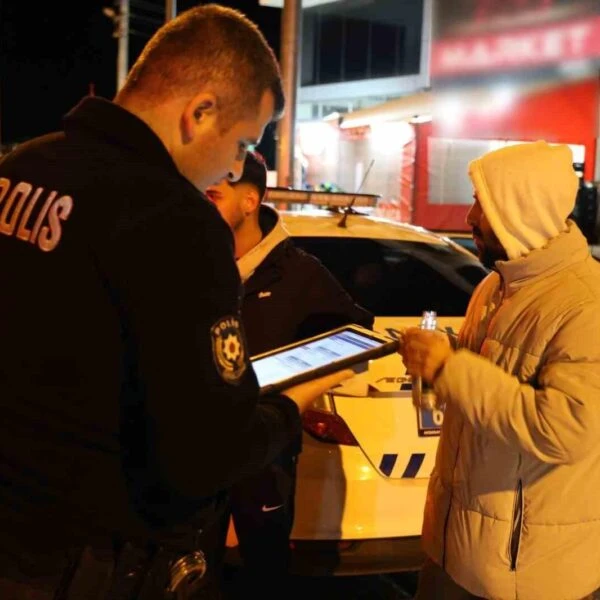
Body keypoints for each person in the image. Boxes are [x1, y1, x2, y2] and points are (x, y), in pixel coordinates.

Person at [0, 5, 353, 599]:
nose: (236, 166)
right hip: (93, 562)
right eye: (242, 143)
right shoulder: (174, 220)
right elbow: (204, 454)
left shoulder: (24, 167)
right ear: (200, 113)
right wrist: (289, 409)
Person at [399, 140, 600, 600]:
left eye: (481, 204)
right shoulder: (495, 286)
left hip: (531, 577)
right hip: (454, 551)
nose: (470, 218)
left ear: (520, 209)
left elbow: (565, 430)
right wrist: (442, 357)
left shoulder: (587, 305)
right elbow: (486, 389)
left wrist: (451, 367)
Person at [205, 151, 373, 594]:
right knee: (196, 569)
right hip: (201, 447)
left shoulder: (298, 273)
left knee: (263, 571)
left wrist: (296, 387)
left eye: (214, 195)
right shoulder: (196, 265)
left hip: (266, 453)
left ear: (249, 202)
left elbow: (354, 335)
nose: (203, 205)